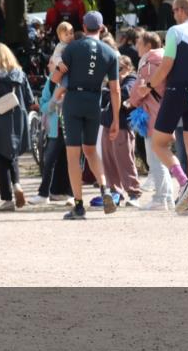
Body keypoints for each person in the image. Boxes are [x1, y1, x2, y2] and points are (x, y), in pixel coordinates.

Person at [138, 0, 188, 216]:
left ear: (182, 10)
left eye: (174, 11)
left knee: (158, 143)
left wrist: (149, 86)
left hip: (176, 92)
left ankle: (183, 183)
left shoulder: (176, 32)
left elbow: (166, 67)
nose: (173, 15)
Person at [54, 11, 120, 220]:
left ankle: (79, 205)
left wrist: (58, 69)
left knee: (73, 155)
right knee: (91, 150)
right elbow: (115, 90)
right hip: (94, 102)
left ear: (83, 26)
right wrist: (116, 119)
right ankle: (105, 189)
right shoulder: (110, 53)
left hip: (73, 101)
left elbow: (56, 78)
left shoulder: (72, 47)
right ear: (101, 28)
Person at [0, 42, 34, 211]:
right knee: (13, 155)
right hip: (18, 118)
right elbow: (30, 99)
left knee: (0, 157)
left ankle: (7, 199)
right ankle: (17, 184)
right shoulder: (20, 74)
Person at [129, 31, 173, 211]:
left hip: (153, 114)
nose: (136, 47)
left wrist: (131, 101)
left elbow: (136, 93)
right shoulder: (166, 60)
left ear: (148, 46)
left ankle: (161, 198)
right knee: (162, 156)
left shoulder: (148, 64)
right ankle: (167, 197)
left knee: (155, 158)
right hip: (167, 112)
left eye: (139, 43)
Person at [29, 58, 74, 206]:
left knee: (71, 161)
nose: (49, 66)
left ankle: (71, 194)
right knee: (48, 161)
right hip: (55, 129)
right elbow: (42, 106)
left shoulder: (73, 79)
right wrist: (55, 101)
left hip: (70, 127)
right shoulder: (50, 83)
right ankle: (44, 194)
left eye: (52, 63)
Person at [101, 55, 141, 206]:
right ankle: (115, 192)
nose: (116, 72)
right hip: (106, 123)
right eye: (113, 70)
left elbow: (124, 94)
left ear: (129, 68)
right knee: (108, 161)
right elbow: (104, 97)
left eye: (120, 69)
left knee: (125, 160)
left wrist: (111, 91)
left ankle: (134, 193)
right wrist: (112, 92)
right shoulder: (109, 82)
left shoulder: (132, 80)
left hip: (123, 126)